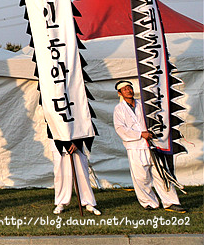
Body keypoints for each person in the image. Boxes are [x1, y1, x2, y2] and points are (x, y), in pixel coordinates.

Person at [113, 80, 185, 213]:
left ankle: (171, 202)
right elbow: (120, 129)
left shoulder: (143, 104)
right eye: (125, 89)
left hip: (152, 145)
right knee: (141, 177)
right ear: (120, 93)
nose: (128, 91)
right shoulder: (119, 109)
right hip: (135, 146)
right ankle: (149, 202)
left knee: (161, 173)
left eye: (129, 88)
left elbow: (154, 119)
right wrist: (140, 134)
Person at [50, 141, 101, 215]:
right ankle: (61, 202)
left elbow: (84, 129)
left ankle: (88, 202)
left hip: (76, 140)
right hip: (58, 141)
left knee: (82, 174)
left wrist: (77, 143)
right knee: (61, 174)